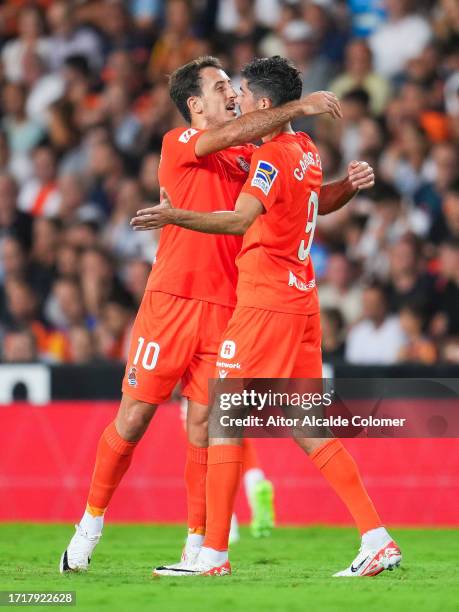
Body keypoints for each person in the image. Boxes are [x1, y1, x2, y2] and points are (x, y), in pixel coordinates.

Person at [59, 54, 343, 573]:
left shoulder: (249, 156)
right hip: (171, 302)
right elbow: (226, 137)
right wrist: (299, 106)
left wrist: (345, 187)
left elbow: (297, 200)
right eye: (219, 86)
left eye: (232, 86)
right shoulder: (180, 143)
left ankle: (197, 543)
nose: (232, 91)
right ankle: (89, 525)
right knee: (134, 417)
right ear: (195, 104)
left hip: (229, 309)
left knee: (204, 424)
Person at [137, 56, 400, 578]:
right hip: (303, 301)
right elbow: (313, 206)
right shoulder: (305, 150)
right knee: (307, 425)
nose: (235, 100)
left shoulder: (273, 155)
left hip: (265, 301)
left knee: (222, 416)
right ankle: (377, 538)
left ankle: (212, 555)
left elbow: (239, 220)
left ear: (261, 103)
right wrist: (347, 185)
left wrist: (173, 217)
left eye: (241, 92)